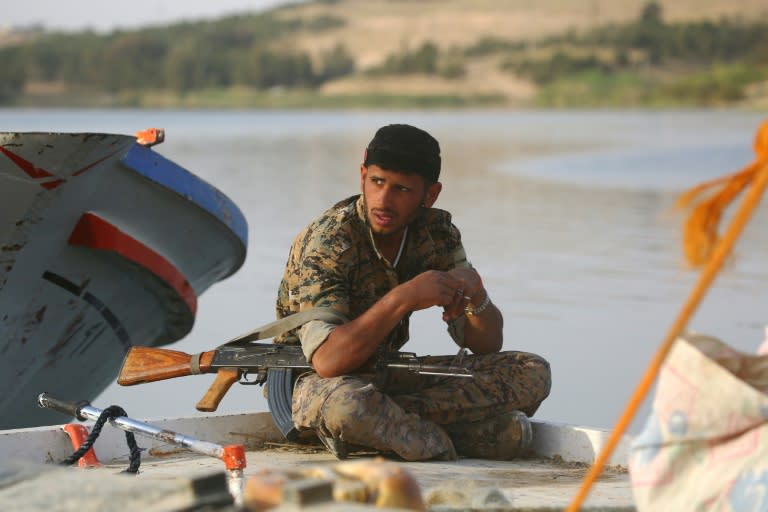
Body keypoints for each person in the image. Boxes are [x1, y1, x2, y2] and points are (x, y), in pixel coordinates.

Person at [274, 123, 551, 461]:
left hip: (386, 375)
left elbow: (484, 345)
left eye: (402, 189)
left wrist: (477, 297)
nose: (384, 200)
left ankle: (391, 426)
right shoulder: (330, 241)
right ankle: (442, 438)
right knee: (349, 407)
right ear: (362, 175)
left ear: (429, 195)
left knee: (531, 371)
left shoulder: (437, 234)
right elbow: (329, 360)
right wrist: (404, 297)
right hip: (318, 383)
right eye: (377, 182)